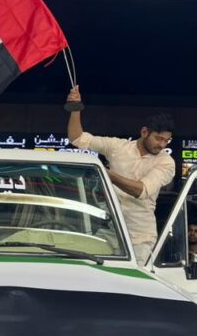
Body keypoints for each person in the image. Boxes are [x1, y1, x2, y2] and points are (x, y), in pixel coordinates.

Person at [66, 86, 175, 263]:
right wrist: (75, 108)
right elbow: (77, 138)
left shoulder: (166, 162)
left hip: (140, 237)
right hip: (108, 231)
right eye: (158, 138)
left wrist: (105, 173)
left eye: (166, 140)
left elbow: (141, 191)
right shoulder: (117, 147)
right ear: (144, 132)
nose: (162, 145)